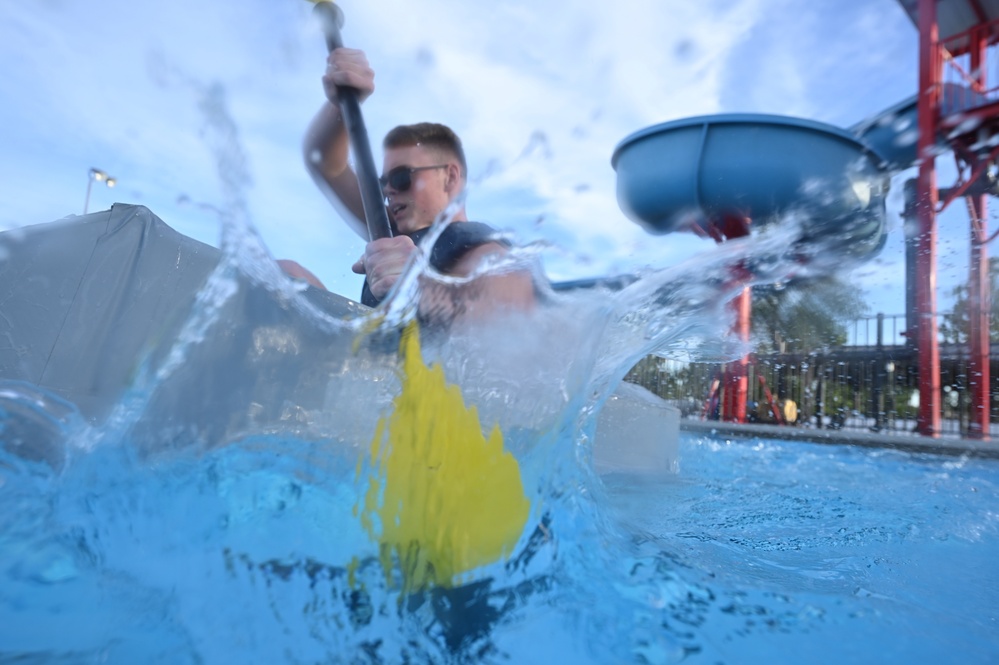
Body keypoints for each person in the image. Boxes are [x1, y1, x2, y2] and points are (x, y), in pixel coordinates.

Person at [301, 47, 535, 321]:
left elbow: (509, 315)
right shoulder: (388, 232)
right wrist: (340, 102)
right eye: (383, 182)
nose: (388, 191)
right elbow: (325, 162)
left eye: (402, 178)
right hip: (369, 358)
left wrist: (417, 287)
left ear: (449, 177)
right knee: (289, 273)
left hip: (433, 362)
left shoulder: (486, 250)